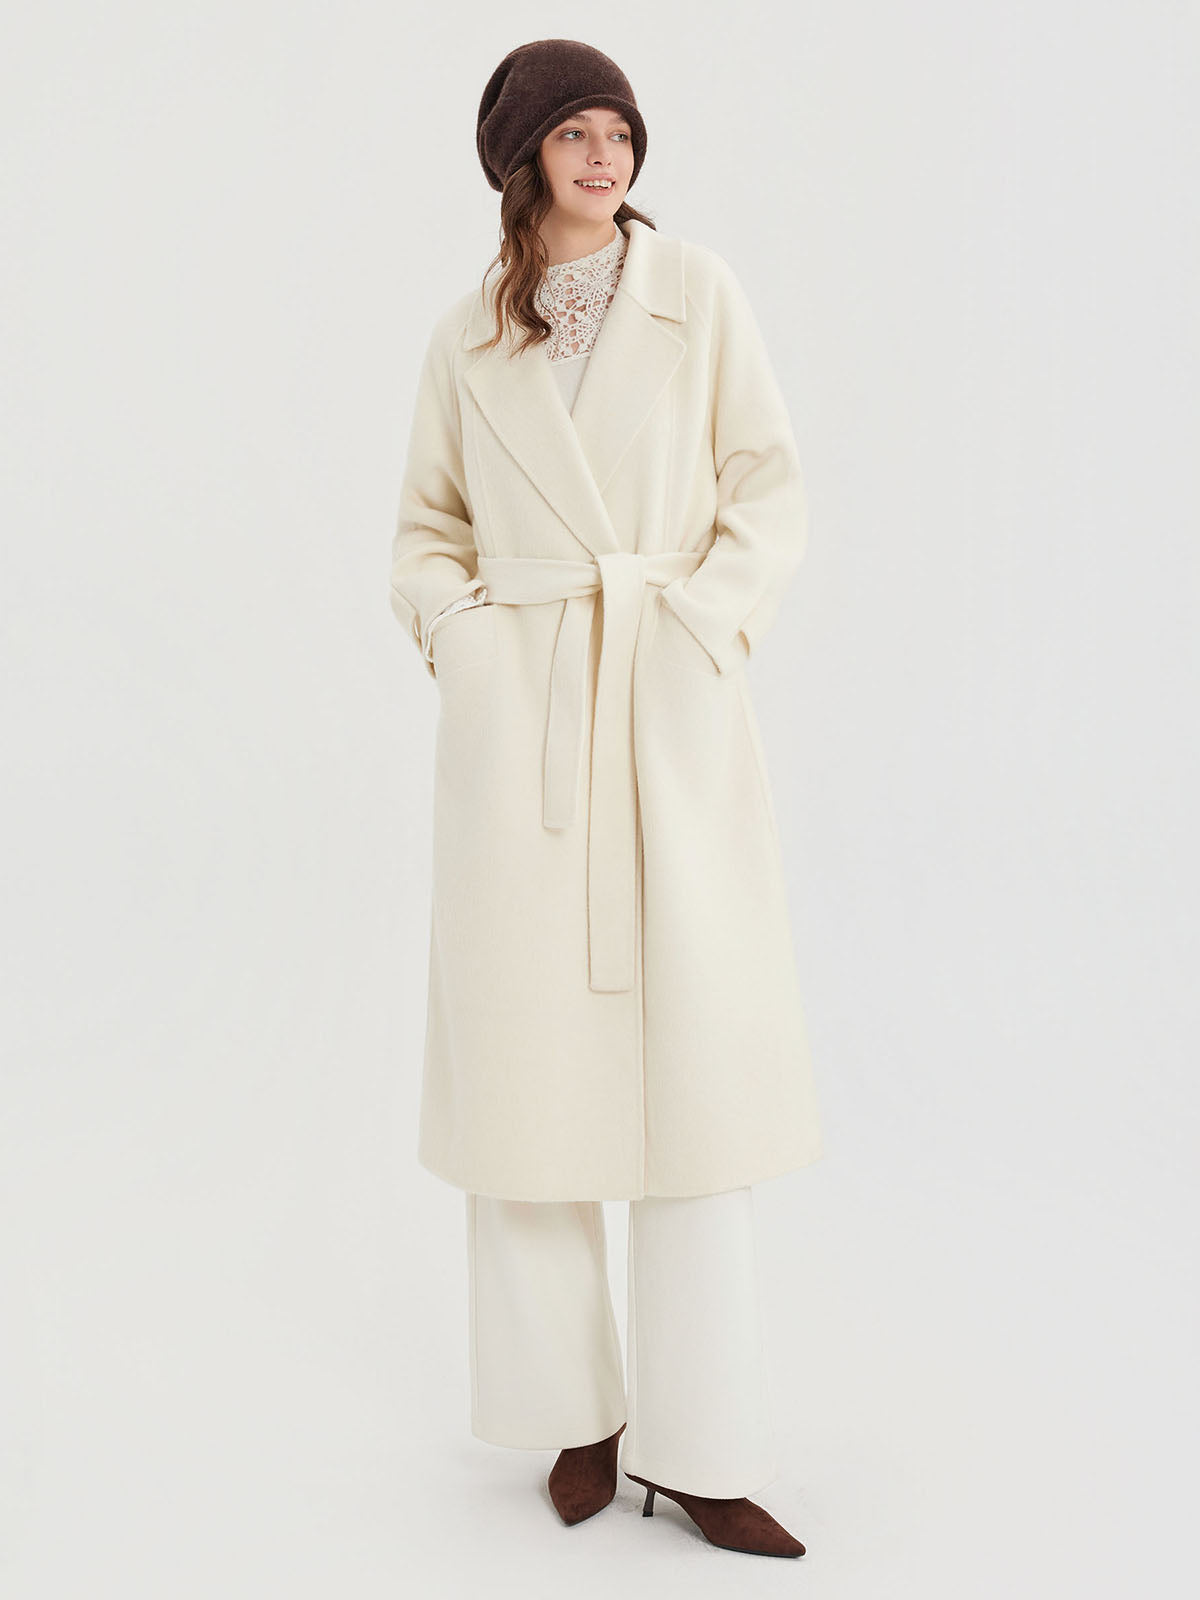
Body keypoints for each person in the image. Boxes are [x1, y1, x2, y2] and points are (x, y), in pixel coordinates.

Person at [389, 38, 824, 1559]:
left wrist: (699, 632)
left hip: (667, 715)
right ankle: (576, 1417)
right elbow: (425, 529)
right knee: (531, 1083)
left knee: (696, 1084)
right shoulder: (467, 337)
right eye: (572, 133)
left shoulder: (696, 293)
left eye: (619, 130)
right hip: (523, 741)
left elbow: (767, 487)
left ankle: (703, 1447)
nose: (604, 156)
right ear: (522, 160)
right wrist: (468, 644)